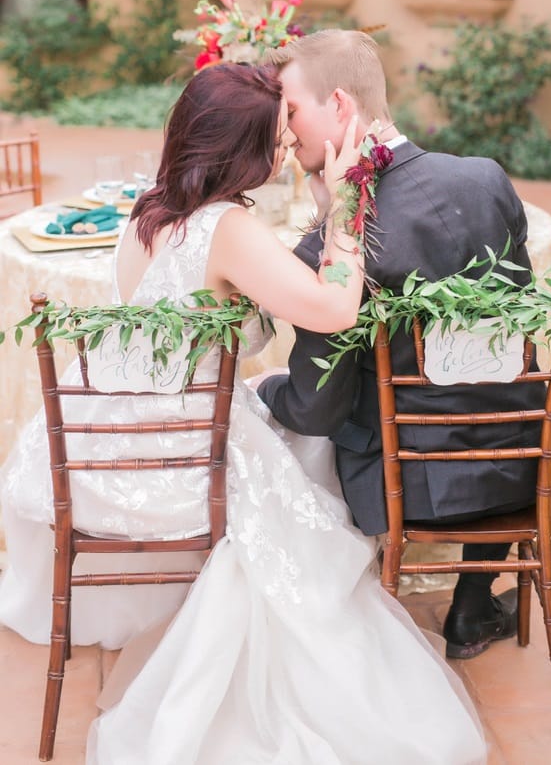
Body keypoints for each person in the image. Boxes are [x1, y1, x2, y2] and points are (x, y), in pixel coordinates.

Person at [1, 64, 486, 764]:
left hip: (102, 446)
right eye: (277, 137)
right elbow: (333, 308)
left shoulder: (147, 210)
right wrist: (348, 204)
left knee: (280, 410)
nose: (288, 147)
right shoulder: (226, 229)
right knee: (313, 447)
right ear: (240, 153)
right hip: (180, 461)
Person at [257, 29, 551, 659]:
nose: (286, 131)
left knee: (297, 427)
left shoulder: (334, 251)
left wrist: (269, 390)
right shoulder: (484, 180)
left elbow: (318, 406)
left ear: (341, 107)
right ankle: (472, 601)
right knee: (486, 396)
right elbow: (502, 333)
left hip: (403, 486)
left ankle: (358, 617)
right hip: (521, 457)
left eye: (291, 110)